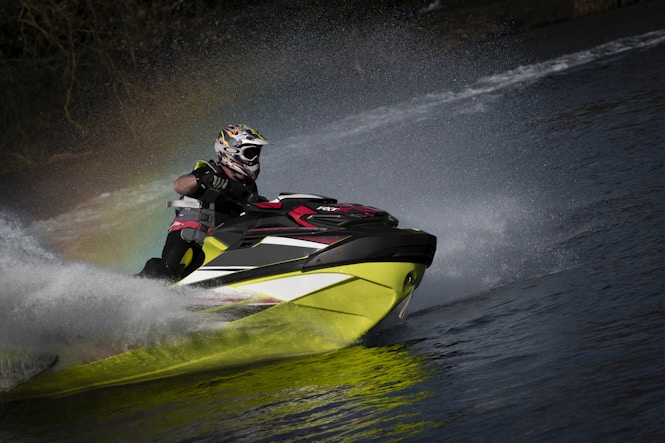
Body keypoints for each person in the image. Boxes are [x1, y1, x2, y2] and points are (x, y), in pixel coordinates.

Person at [139, 123, 269, 281]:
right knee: (173, 268)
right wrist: (203, 179)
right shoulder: (209, 170)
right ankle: (149, 291)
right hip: (189, 238)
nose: (255, 159)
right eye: (250, 153)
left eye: (257, 153)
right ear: (230, 151)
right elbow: (179, 185)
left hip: (221, 244)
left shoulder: (249, 189)